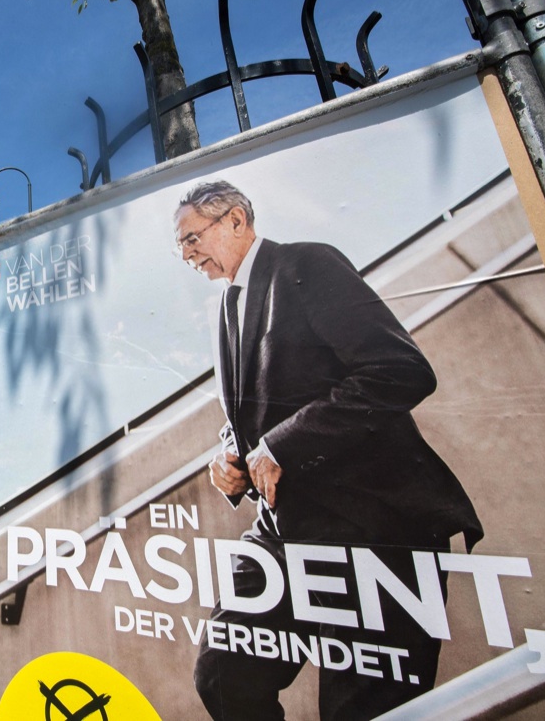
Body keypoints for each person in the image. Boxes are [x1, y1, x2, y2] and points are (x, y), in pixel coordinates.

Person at [175, 180, 482, 720]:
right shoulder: (226, 306)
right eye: (180, 245)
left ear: (236, 221)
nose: (187, 254)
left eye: (192, 237)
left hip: (374, 525)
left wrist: (284, 444)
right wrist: (230, 455)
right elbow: (256, 412)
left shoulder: (308, 266)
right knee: (223, 673)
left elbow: (400, 371)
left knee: (360, 711)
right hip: (283, 530)